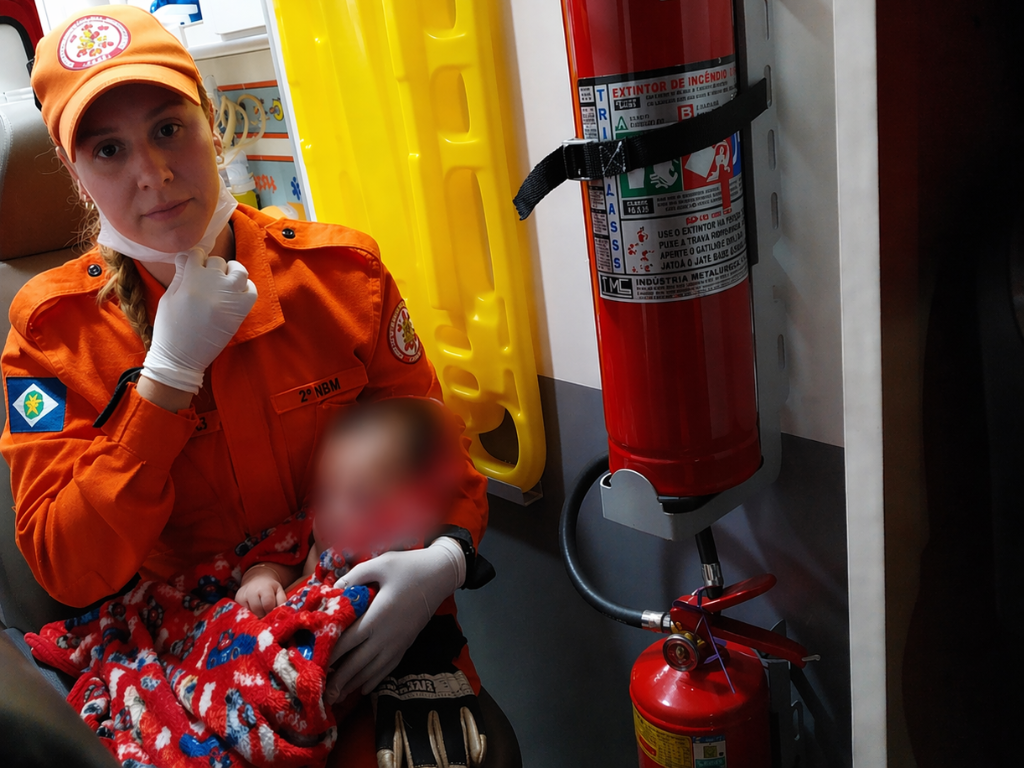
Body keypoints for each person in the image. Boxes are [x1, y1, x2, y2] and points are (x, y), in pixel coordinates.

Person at [0, 6, 489, 765]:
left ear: (213, 122)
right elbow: (67, 567)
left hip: (358, 615)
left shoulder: (341, 277)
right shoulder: (50, 334)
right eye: (108, 149)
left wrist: (446, 558)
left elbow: (434, 450)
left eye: (169, 128)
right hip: (194, 649)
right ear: (75, 173)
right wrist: (166, 381)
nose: (153, 175)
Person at [235, 397, 458, 618]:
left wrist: (452, 555)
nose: (335, 512)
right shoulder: (313, 528)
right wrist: (263, 577)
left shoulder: (405, 550)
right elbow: (286, 560)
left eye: (361, 499)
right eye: (327, 491)